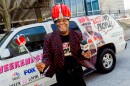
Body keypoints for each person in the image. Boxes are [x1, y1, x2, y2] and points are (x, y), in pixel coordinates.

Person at [36, 4, 92, 86]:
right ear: (55, 23)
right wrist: (44, 64)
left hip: (77, 73)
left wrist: (86, 55)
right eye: (58, 21)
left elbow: (82, 53)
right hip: (61, 75)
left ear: (68, 20)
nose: (61, 23)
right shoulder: (49, 38)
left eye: (64, 20)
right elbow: (47, 56)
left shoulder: (77, 34)